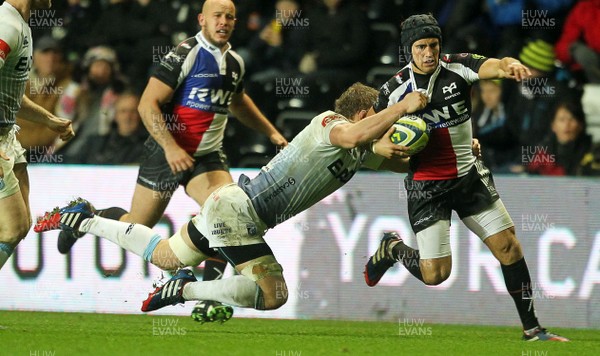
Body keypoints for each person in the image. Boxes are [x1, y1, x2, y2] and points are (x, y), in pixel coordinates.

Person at [34, 83, 427, 316]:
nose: (385, 122)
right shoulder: (332, 124)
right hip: (242, 211)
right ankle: (185, 290)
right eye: (378, 115)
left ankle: (81, 218)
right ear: (362, 112)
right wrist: (403, 107)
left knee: (165, 257)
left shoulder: (358, 149)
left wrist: (447, 147)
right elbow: (358, 135)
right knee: (274, 295)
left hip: (232, 205)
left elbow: (396, 160)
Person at [55, 0, 288, 324]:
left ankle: (206, 297)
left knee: (226, 216)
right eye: (217, 16)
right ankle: (86, 214)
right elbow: (147, 103)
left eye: (229, 17)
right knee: (138, 225)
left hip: (207, 157)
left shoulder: (234, 63)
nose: (223, 22)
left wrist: (271, 132)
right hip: (167, 151)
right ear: (202, 20)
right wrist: (170, 148)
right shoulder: (184, 55)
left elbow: (237, 100)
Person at [363, 14, 569, 342]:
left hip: (469, 176)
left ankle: (533, 329)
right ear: (409, 50)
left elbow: (495, 65)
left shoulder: (458, 66)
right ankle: (393, 248)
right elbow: (368, 134)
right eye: (421, 47)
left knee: (509, 247)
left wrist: (509, 64)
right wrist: (386, 142)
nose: (429, 52)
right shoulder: (394, 89)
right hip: (427, 187)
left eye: (433, 45)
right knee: (435, 274)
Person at [0, 0, 74, 271]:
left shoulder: (21, 25)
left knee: (19, 226)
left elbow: (11, 94)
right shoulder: (6, 25)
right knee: (10, 229)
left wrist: (49, 120)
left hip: (8, 136)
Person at [526, 100, 592, 176]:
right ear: (553, 126)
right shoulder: (542, 154)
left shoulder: (592, 152)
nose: (567, 125)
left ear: (580, 125)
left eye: (572, 119)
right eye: (562, 120)